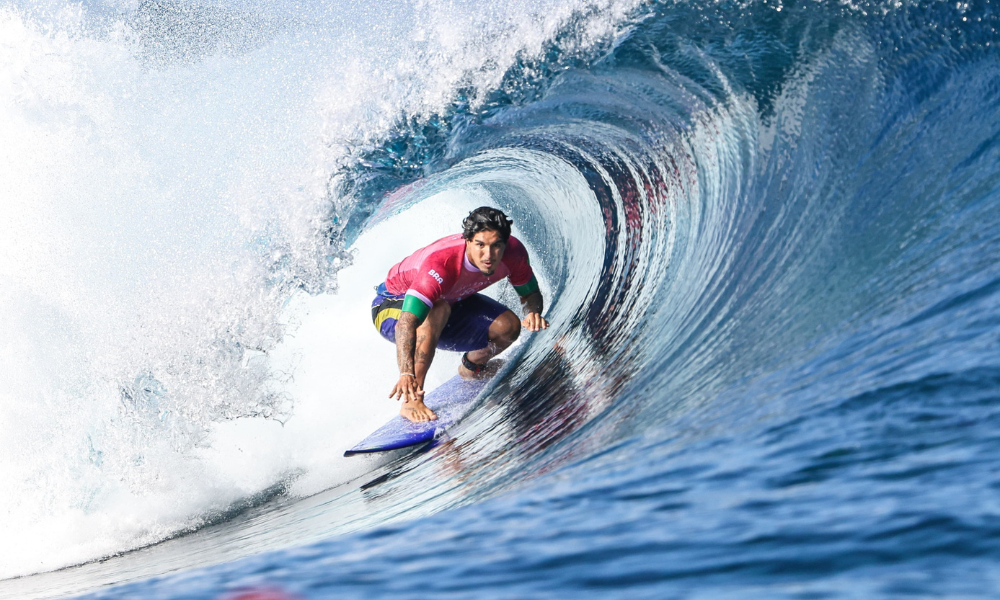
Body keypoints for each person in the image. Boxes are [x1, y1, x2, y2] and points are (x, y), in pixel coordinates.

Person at [370, 206, 548, 423]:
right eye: (480, 245)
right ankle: (411, 401)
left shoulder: (513, 253)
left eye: (496, 246)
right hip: (391, 307)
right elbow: (406, 324)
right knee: (438, 307)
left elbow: (530, 294)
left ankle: (472, 368)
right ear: (467, 240)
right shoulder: (440, 265)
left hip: (451, 301)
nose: (489, 255)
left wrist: (532, 313)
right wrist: (406, 373)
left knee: (508, 327)